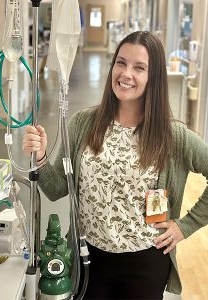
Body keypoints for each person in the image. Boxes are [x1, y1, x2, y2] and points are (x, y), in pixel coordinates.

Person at [22, 31, 208, 299]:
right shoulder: (82, 124)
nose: (126, 73)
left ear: (153, 77)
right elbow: (57, 189)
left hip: (145, 264)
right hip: (89, 259)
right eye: (121, 62)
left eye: (139, 67)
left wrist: (185, 226)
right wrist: (39, 158)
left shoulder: (172, 136)